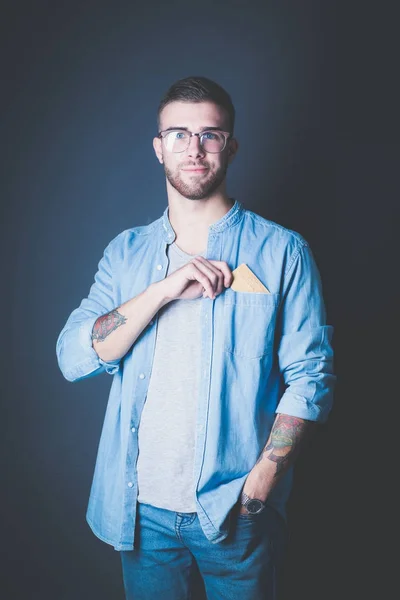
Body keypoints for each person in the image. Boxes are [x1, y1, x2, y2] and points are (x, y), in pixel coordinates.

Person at [56, 75, 336, 600]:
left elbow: (310, 376)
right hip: (141, 516)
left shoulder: (282, 252)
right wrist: (162, 290)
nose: (195, 148)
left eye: (210, 134)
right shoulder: (126, 254)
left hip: (234, 513)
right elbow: (75, 357)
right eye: (179, 134)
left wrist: (261, 486)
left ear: (229, 145)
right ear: (158, 147)